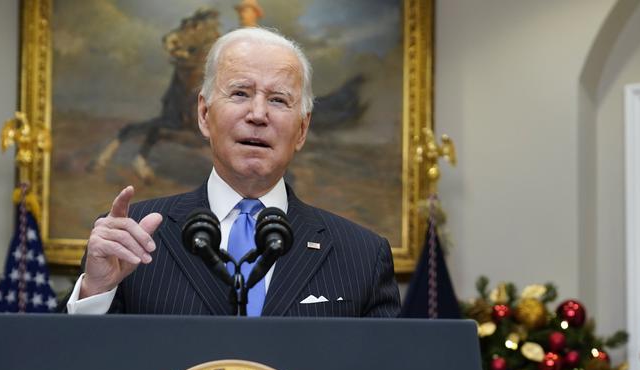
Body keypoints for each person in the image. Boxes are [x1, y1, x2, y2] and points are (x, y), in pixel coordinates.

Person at [66, 27, 400, 317]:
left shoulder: (362, 257)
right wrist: (97, 290)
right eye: (240, 93)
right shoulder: (132, 241)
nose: (258, 114)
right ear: (203, 113)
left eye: (279, 100)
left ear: (302, 129)